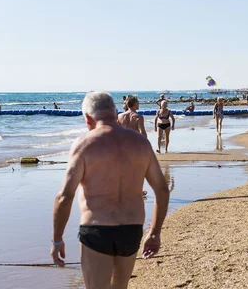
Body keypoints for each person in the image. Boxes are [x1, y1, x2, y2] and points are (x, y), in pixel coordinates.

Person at [50, 92, 170, 288]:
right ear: (115, 113)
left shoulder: (84, 144)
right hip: (131, 229)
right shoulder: (140, 143)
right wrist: (155, 232)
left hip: (97, 229)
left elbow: (64, 197)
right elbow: (162, 191)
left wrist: (56, 241)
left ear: (88, 118)